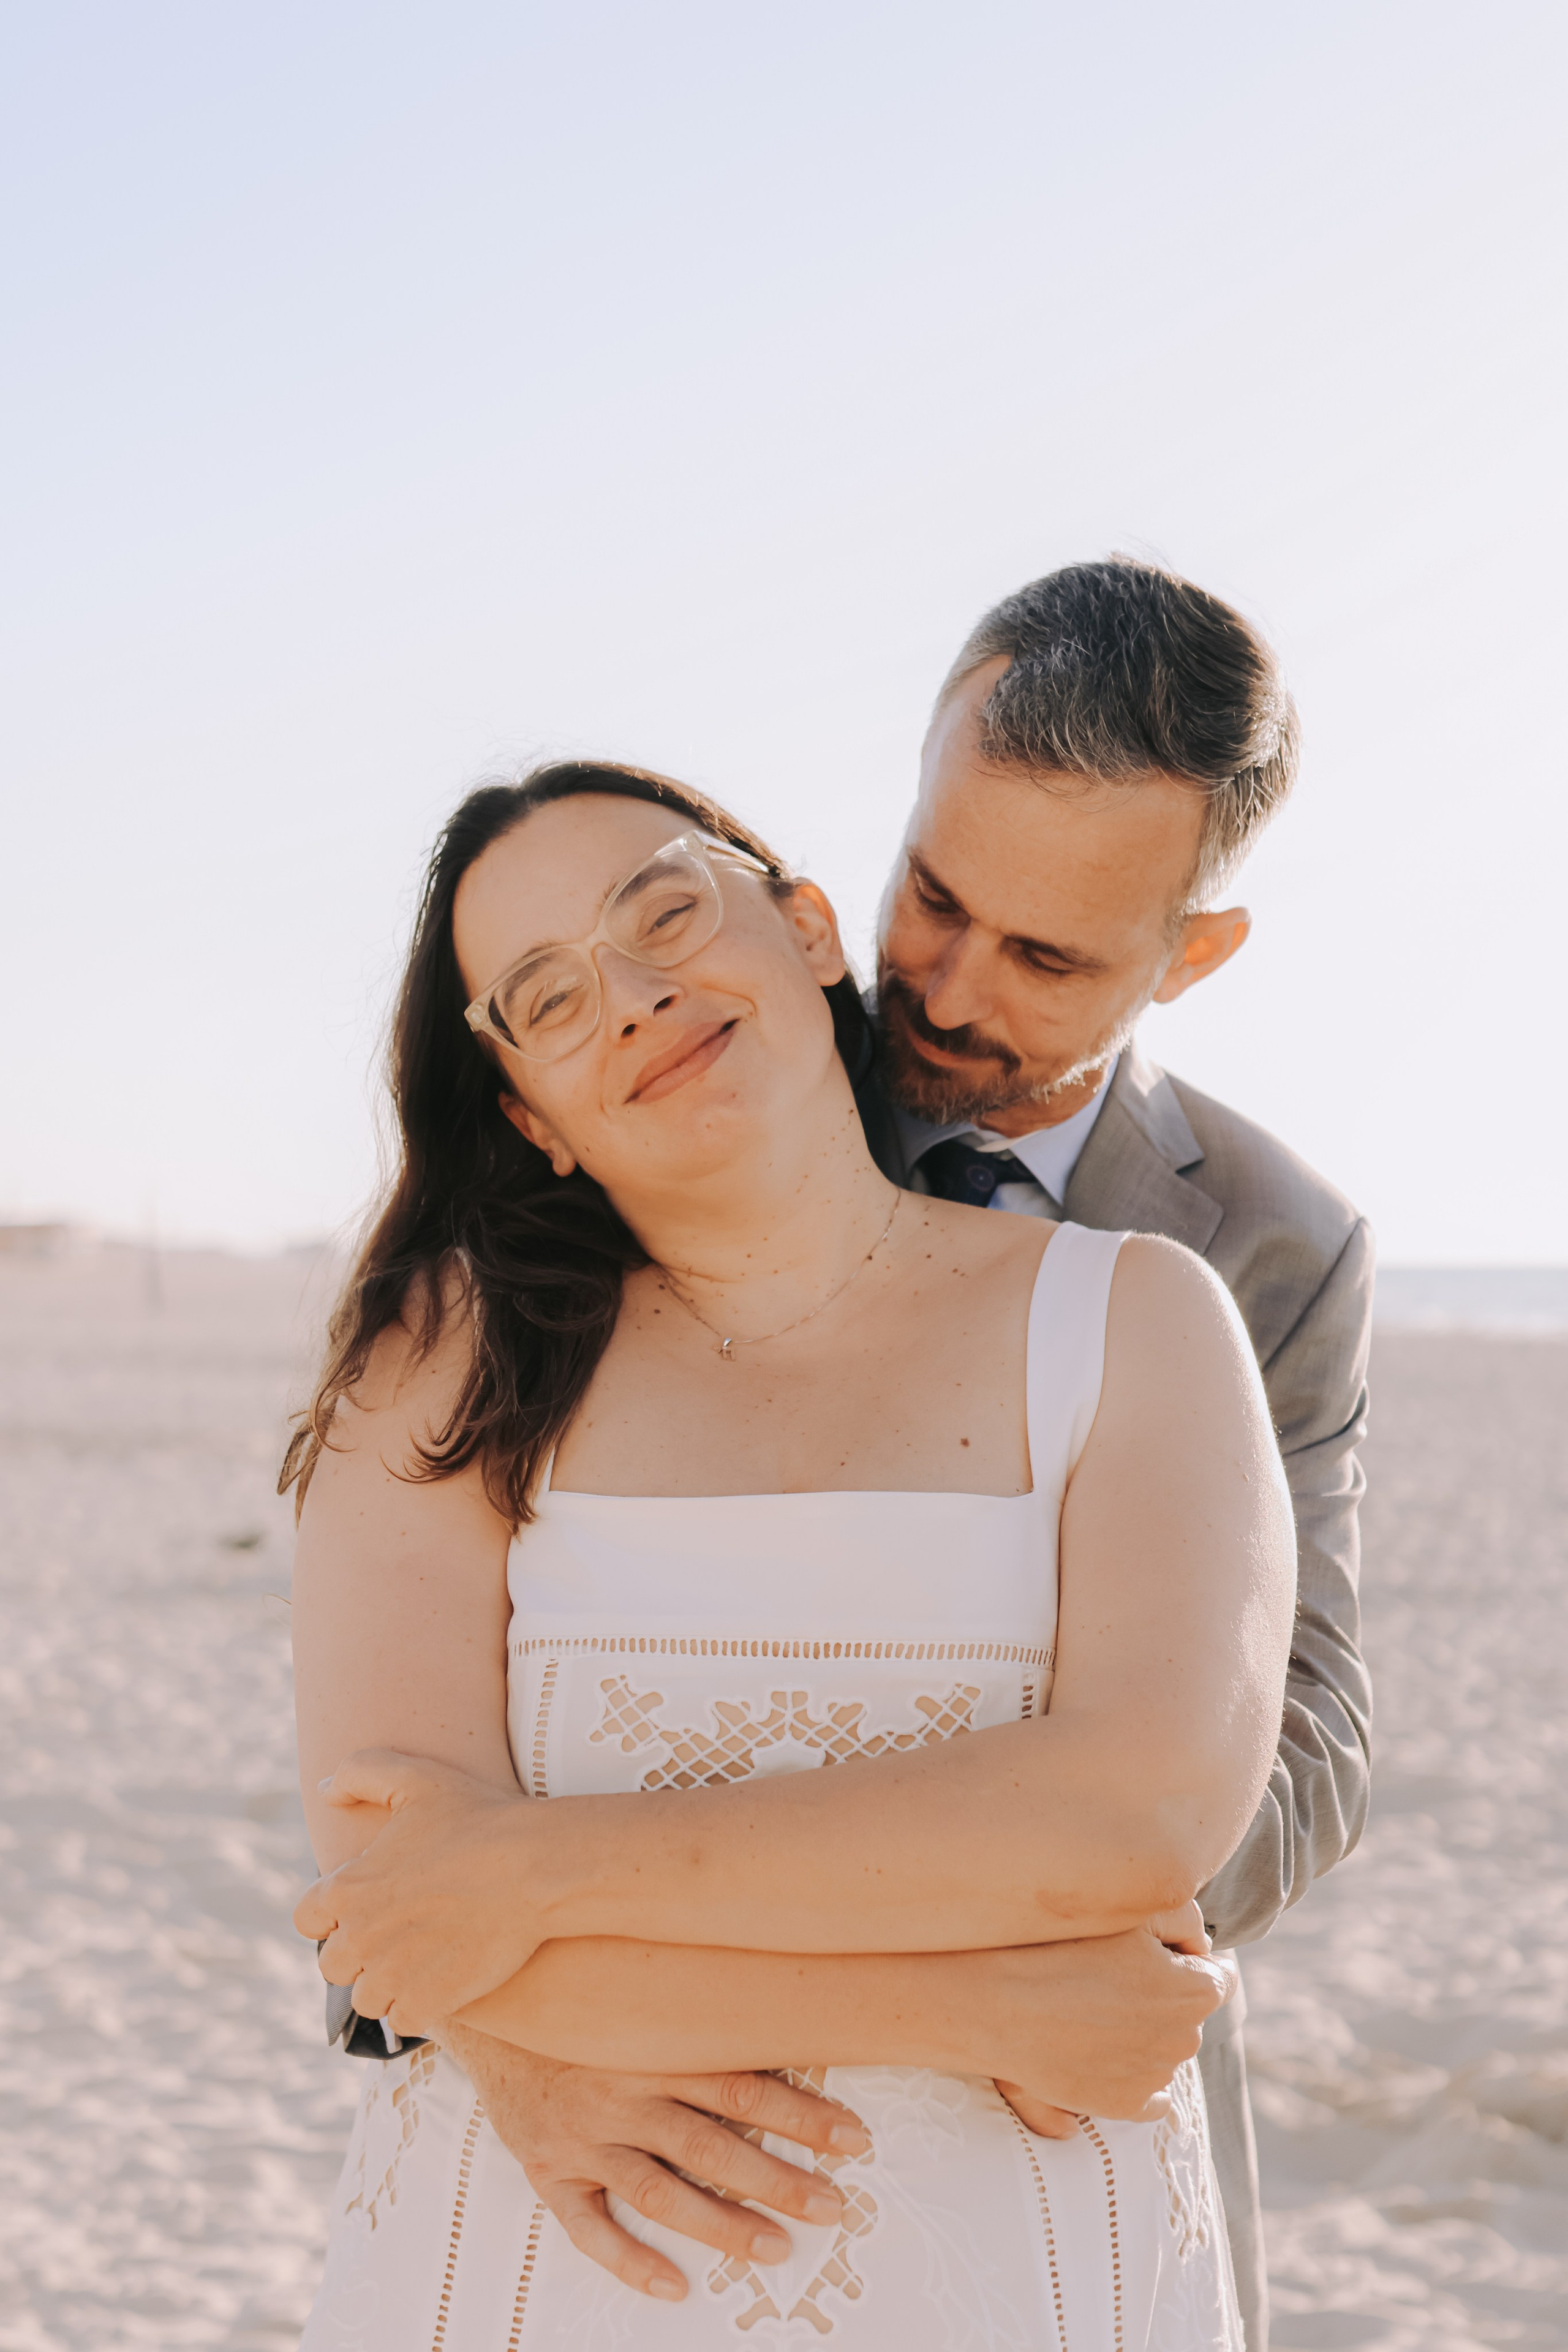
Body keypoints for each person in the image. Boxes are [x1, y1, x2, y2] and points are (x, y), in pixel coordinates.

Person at [288, 755, 1297, 2348]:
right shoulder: (443, 1371)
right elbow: (400, 1922)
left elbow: (1140, 1811)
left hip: (1020, 2282)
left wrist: (533, 1882)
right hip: (536, 2277)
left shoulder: (1133, 1323)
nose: (631, 998)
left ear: (811, 929)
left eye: (665, 914)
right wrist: (983, 2002)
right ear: (527, 1118)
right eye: (547, 999)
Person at [855, 559, 1373, 2350]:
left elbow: (1315, 1725)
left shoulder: (1286, 1246)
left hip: (1070, 2093)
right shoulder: (705, 1077)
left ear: (1193, 954)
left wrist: (1058, 1924)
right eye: (934, 891)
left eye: (1051, 956)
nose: (943, 984)